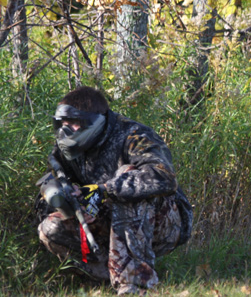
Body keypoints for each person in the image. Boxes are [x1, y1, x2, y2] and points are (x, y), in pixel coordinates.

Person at [35, 86, 193, 295]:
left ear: (92, 121)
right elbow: (43, 199)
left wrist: (104, 190)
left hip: (164, 224)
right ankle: (105, 277)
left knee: (126, 175)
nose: (65, 131)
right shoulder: (64, 151)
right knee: (49, 227)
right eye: (62, 124)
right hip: (108, 221)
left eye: (73, 124)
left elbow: (164, 178)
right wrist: (70, 204)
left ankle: (135, 283)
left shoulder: (134, 135)